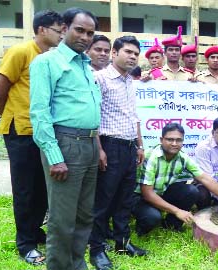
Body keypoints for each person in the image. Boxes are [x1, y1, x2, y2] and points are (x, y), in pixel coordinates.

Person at [29, 8, 100, 270]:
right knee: (62, 219)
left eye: (90, 33)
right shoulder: (47, 62)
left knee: (84, 216)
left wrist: (98, 147)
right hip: (66, 145)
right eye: (79, 30)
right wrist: (54, 157)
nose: (85, 37)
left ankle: (76, 265)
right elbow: (39, 113)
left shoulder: (85, 65)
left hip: (90, 145)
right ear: (64, 29)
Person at [0, 10, 63, 266]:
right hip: (20, 131)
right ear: (42, 29)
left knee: (42, 186)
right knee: (25, 189)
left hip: (44, 132)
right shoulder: (21, 51)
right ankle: (25, 244)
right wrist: (9, 116)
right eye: (59, 30)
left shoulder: (52, 58)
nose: (62, 35)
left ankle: (35, 231)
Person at [88, 36, 147, 270]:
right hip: (108, 146)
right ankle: (97, 249)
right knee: (103, 201)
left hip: (130, 147)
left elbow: (134, 117)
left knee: (125, 199)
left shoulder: (130, 82)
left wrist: (140, 145)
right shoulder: (99, 79)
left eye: (135, 53)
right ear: (114, 53)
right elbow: (92, 117)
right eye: (128, 52)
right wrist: (99, 149)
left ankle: (123, 242)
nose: (132, 57)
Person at [132, 123, 218, 235]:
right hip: (141, 198)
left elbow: (205, 179)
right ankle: (142, 227)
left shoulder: (182, 157)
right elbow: (147, 194)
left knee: (191, 191)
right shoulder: (152, 156)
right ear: (161, 140)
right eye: (170, 139)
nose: (174, 143)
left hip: (161, 193)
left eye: (178, 140)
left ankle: (171, 225)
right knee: (152, 217)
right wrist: (177, 211)